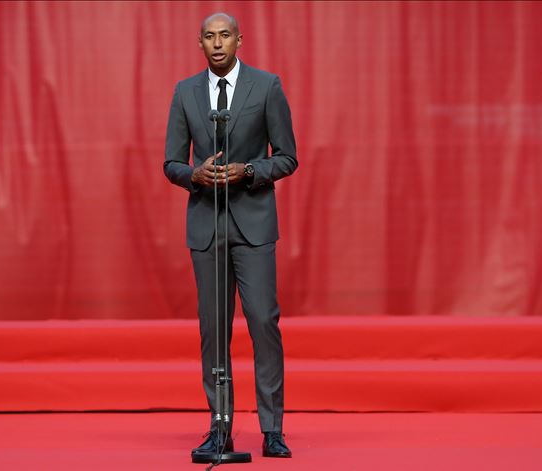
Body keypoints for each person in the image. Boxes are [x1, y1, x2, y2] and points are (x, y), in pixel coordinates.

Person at [163, 12, 297, 459]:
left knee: (263, 322)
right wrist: (194, 175)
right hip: (207, 225)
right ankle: (220, 427)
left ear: (239, 39)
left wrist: (251, 170)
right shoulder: (185, 92)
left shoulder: (267, 86)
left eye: (225, 35)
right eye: (209, 36)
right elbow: (171, 163)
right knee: (213, 331)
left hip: (254, 225)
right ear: (198, 43)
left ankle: (272, 428)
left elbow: (288, 157)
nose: (217, 43)